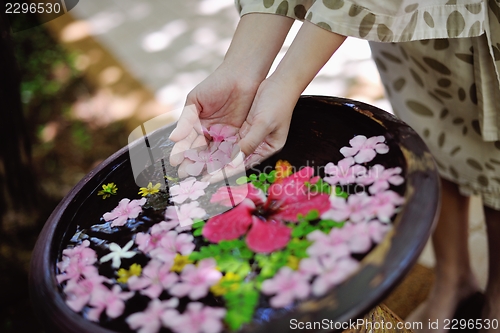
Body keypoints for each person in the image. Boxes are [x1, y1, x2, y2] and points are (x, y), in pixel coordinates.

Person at [169, 1, 500, 331]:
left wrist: (285, 82)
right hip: (407, 23)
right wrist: (240, 72)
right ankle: (453, 277)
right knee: (430, 130)